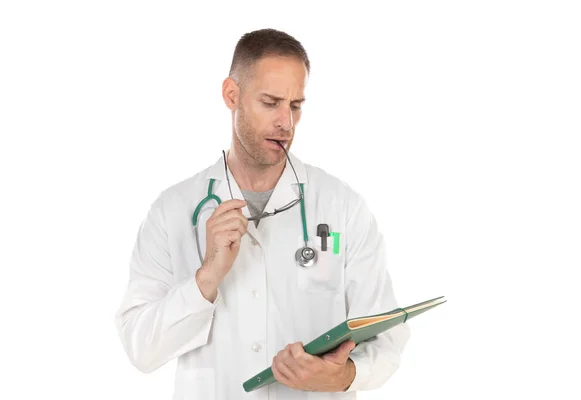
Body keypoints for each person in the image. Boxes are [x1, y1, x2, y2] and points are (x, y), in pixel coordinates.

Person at [114, 28, 410, 399]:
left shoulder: (341, 206)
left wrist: (341, 377)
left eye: (296, 105)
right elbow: (140, 348)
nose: (286, 122)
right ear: (231, 95)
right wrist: (206, 279)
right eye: (270, 103)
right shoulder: (173, 211)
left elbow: (385, 333)